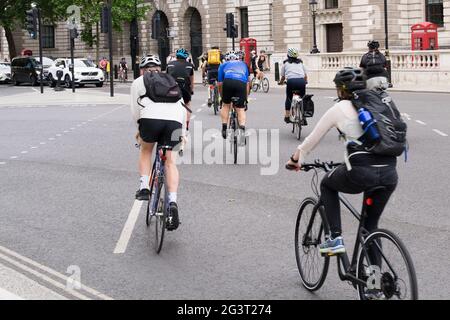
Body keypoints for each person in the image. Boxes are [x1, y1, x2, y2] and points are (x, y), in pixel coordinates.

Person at [286, 67, 398, 256]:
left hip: (361, 172)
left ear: (341, 89)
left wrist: (297, 159)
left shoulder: (339, 108)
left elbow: (312, 139)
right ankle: (376, 279)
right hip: (389, 172)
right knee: (370, 227)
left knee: (327, 184)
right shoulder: (378, 105)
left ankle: (335, 239)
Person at [130, 55, 188, 231]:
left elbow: (135, 110)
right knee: (170, 161)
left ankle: (144, 187)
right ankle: (172, 202)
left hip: (150, 119)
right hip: (175, 121)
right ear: (159, 68)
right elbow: (182, 106)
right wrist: (183, 134)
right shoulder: (169, 80)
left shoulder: (139, 81)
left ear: (142, 70)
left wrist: (140, 129)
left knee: (146, 150)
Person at [218, 51, 251, 142]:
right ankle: (242, 129)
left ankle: (224, 127)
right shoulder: (243, 64)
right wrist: (245, 99)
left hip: (228, 81)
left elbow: (220, 84)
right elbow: (248, 84)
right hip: (241, 82)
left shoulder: (223, 65)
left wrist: (222, 97)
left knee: (226, 105)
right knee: (240, 109)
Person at [166, 48, 195, 130]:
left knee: (170, 105)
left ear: (176, 56)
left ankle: (170, 122)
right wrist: (191, 90)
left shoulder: (170, 64)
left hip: (173, 88)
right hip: (185, 88)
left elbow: (167, 78)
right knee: (187, 104)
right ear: (186, 57)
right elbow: (192, 80)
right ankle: (187, 123)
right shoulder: (190, 65)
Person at [278, 48, 308, 124]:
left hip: (291, 82)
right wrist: (305, 81)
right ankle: (304, 117)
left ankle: (287, 116)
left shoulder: (285, 64)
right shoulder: (301, 63)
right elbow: (305, 75)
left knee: (288, 98)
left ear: (288, 55)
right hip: (301, 82)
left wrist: (281, 82)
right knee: (302, 98)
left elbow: (283, 76)